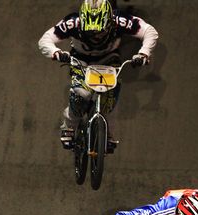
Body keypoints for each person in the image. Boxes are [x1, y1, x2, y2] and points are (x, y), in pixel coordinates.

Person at [38, 0, 158, 151]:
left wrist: (144, 53)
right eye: (90, 32)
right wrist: (55, 52)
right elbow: (45, 39)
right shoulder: (72, 22)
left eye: (101, 31)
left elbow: (149, 31)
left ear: (110, 21)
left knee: (110, 97)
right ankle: (69, 125)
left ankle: (107, 131)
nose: (96, 36)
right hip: (81, 61)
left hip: (108, 60)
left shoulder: (119, 20)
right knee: (82, 93)